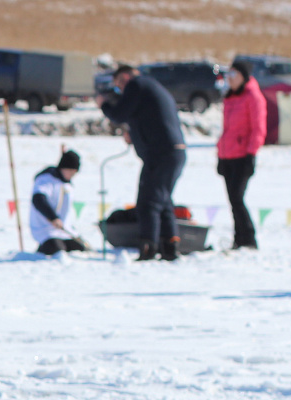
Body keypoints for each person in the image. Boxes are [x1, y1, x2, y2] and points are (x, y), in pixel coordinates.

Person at [100, 65, 187, 260]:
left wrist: (104, 105)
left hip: (161, 153)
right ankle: (170, 246)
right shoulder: (151, 86)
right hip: (173, 151)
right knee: (162, 200)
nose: (120, 91)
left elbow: (119, 114)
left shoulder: (136, 85)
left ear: (124, 77)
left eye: (118, 86)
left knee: (148, 202)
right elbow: (146, 116)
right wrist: (134, 133)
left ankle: (149, 247)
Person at [217, 60, 267, 250]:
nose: (229, 79)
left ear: (243, 77)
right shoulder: (230, 97)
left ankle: (249, 238)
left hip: (242, 155)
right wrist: (220, 156)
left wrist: (251, 155)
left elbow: (258, 129)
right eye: (228, 75)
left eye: (233, 75)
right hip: (228, 154)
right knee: (232, 199)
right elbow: (226, 129)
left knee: (237, 198)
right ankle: (238, 239)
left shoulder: (253, 96)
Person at [31, 149, 88, 255]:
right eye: (71, 171)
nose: (72, 175)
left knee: (79, 249)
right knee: (57, 249)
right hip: (46, 230)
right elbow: (38, 199)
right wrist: (53, 217)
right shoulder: (46, 180)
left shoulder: (67, 184)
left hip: (64, 230)